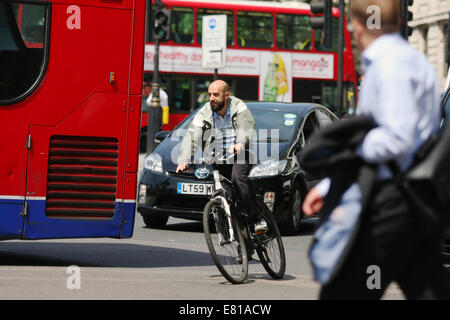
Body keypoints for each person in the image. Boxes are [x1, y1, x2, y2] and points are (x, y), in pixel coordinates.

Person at [302, 0, 450, 299]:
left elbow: (397, 137)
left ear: (357, 23)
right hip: (413, 198)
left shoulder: (389, 66)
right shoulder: (412, 60)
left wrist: (349, 151)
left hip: (389, 201)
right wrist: (331, 185)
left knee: (344, 293)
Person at [176, 80, 265, 231]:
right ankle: (238, 239)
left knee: (238, 179)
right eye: (210, 94)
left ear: (226, 96)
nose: (211, 98)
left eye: (216, 95)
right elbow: (192, 136)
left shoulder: (239, 106)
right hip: (218, 157)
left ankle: (256, 218)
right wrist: (184, 160)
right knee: (225, 195)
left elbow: (246, 127)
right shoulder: (204, 112)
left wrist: (240, 143)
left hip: (240, 153)